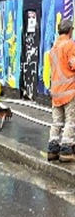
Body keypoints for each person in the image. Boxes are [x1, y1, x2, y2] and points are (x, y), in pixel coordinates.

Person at [47, 18, 75, 162]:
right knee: (71, 121)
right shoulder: (69, 45)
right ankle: (66, 150)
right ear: (70, 31)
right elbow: (73, 65)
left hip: (56, 92)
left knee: (57, 122)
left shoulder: (54, 48)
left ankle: (52, 150)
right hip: (69, 91)